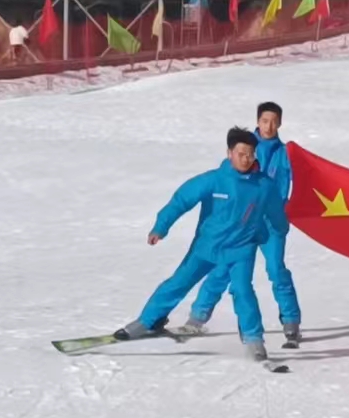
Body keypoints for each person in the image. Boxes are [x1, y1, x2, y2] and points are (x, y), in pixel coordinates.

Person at [117, 126, 288, 364]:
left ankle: (254, 339)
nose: (247, 159)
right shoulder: (213, 180)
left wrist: (279, 231)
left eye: (251, 154)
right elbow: (181, 200)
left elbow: (276, 214)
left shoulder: (263, 186)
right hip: (206, 247)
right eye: (241, 154)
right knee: (178, 282)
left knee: (243, 291)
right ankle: (147, 322)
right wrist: (160, 227)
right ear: (229, 153)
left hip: (241, 250)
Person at [177, 101, 301, 343]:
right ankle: (197, 318)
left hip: (271, 223)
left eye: (274, 121)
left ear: (281, 123)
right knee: (222, 268)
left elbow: (305, 181)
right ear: (258, 121)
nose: (269, 125)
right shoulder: (245, 147)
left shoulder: (287, 154)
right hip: (242, 223)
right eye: (265, 120)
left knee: (276, 269)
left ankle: (291, 322)